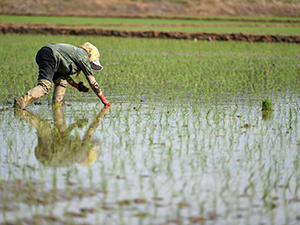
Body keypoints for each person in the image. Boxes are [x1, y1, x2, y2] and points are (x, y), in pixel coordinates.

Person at [14, 42, 110, 109]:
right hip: (50, 55)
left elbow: (66, 76)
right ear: (90, 54)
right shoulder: (83, 55)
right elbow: (92, 82)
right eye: (92, 62)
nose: (91, 64)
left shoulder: (73, 54)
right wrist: (104, 100)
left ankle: (57, 105)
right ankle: (22, 101)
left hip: (46, 54)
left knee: (61, 82)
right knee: (45, 86)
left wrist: (77, 87)